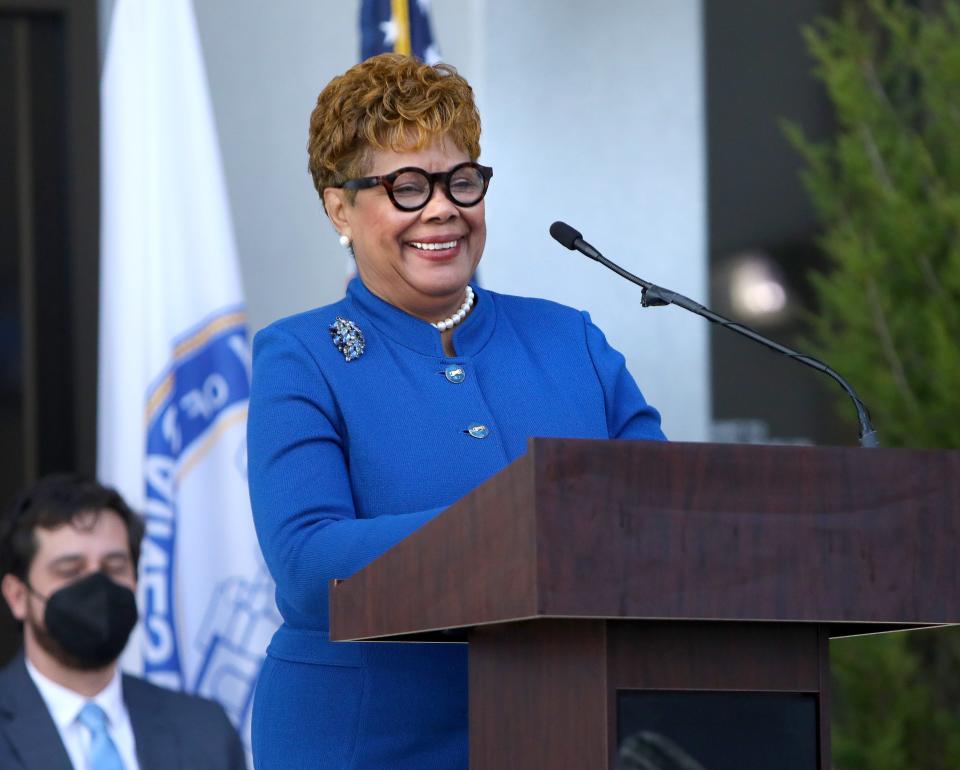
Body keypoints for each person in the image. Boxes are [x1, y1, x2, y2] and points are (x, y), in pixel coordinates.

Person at [247, 53, 666, 769]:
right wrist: (515, 528)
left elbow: (667, 516)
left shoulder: (570, 340)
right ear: (339, 208)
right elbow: (309, 565)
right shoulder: (300, 354)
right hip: (370, 740)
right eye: (406, 188)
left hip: (574, 727)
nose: (442, 208)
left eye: (460, 181)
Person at [0, 474, 247, 770]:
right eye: (69, 571)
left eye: (114, 568)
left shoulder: (205, 731)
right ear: (17, 596)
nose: (96, 586)